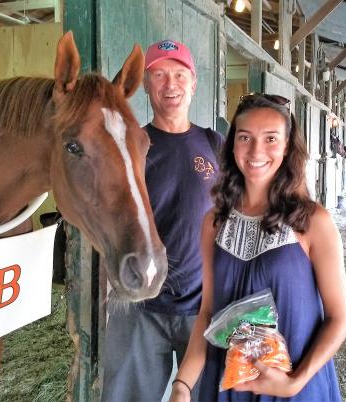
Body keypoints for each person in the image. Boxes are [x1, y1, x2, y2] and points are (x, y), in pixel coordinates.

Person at [169, 94, 346, 402]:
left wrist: (295, 382)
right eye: (245, 138)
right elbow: (208, 313)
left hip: (295, 387)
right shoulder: (214, 223)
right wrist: (182, 385)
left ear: (287, 147)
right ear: (232, 145)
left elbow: (339, 318)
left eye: (270, 138)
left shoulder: (312, 221)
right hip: (227, 384)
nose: (256, 151)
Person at [101, 39, 224, 402]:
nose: (170, 84)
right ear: (146, 84)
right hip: (139, 307)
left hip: (203, 306)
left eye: (179, 74)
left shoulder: (213, 144)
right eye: (158, 74)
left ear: (193, 82)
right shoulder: (131, 147)